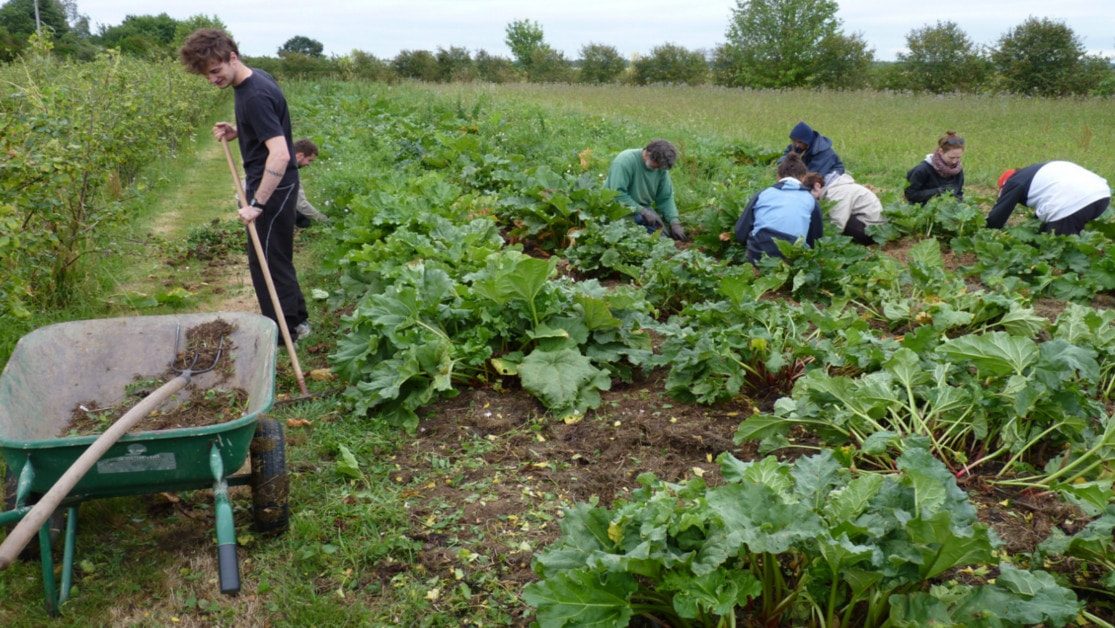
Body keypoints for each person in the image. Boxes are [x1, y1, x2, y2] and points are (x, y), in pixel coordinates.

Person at [179, 29, 310, 340]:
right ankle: (296, 321)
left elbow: (279, 155)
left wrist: (257, 204)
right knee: (274, 257)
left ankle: (285, 331)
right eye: (205, 74)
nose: (212, 79)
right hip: (274, 184)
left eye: (215, 70)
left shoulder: (254, 95)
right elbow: (270, 126)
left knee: (267, 262)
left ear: (232, 57)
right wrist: (241, 130)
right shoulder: (256, 79)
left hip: (273, 188)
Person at [733, 153, 824, 264]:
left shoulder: (762, 194)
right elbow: (816, 239)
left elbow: (740, 232)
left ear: (778, 175)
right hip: (792, 258)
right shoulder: (811, 200)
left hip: (759, 255)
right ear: (804, 177)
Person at [987, 161, 1110, 235]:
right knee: (1063, 233)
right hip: (1101, 195)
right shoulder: (1034, 172)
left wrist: (984, 232)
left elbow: (996, 218)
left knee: (1057, 246)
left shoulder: (1014, 182)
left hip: (1073, 202)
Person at [605, 139, 688, 241]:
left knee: (664, 235)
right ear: (647, 154)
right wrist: (642, 211)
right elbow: (617, 194)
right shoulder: (625, 161)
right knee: (641, 238)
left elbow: (665, 198)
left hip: (642, 208)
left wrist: (674, 222)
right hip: (617, 207)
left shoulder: (661, 169)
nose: (657, 170)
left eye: (660, 168)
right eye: (655, 166)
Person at [817, 172, 885, 245]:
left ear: (816, 186)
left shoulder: (837, 192)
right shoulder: (840, 186)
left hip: (870, 233)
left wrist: (824, 241)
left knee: (838, 217)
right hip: (876, 227)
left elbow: (838, 223)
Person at [905, 131, 965, 204]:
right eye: (951, 158)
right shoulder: (922, 170)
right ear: (941, 151)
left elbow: (959, 193)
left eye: (958, 157)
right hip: (922, 210)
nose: (954, 161)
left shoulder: (957, 169)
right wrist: (937, 192)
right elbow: (910, 195)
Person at [292, 138, 330, 228]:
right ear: (300, 155)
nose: (309, 164)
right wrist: (323, 219)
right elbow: (301, 204)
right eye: (309, 160)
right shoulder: (290, 172)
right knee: (303, 221)